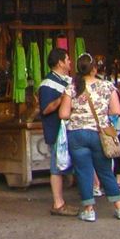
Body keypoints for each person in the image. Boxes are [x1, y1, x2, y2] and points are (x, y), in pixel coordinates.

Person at [60, 53, 120, 222]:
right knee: (105, 171)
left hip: (77, 134)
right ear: (94, 69)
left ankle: (89, 210)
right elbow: (116, 111)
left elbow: (63, 113)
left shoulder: (71, 87)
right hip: (100, 133)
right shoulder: (107, 86)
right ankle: (119, 208)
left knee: (84, 172)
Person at [38, 47, 78, 216]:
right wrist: (63, 98)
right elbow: (45, 109)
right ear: (60, 62)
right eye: (67, 59)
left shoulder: (68, 80)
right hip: (57, 131)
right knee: (56, 167)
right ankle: (58, 203)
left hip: (72, 129)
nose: (70, 62)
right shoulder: (47, 84)